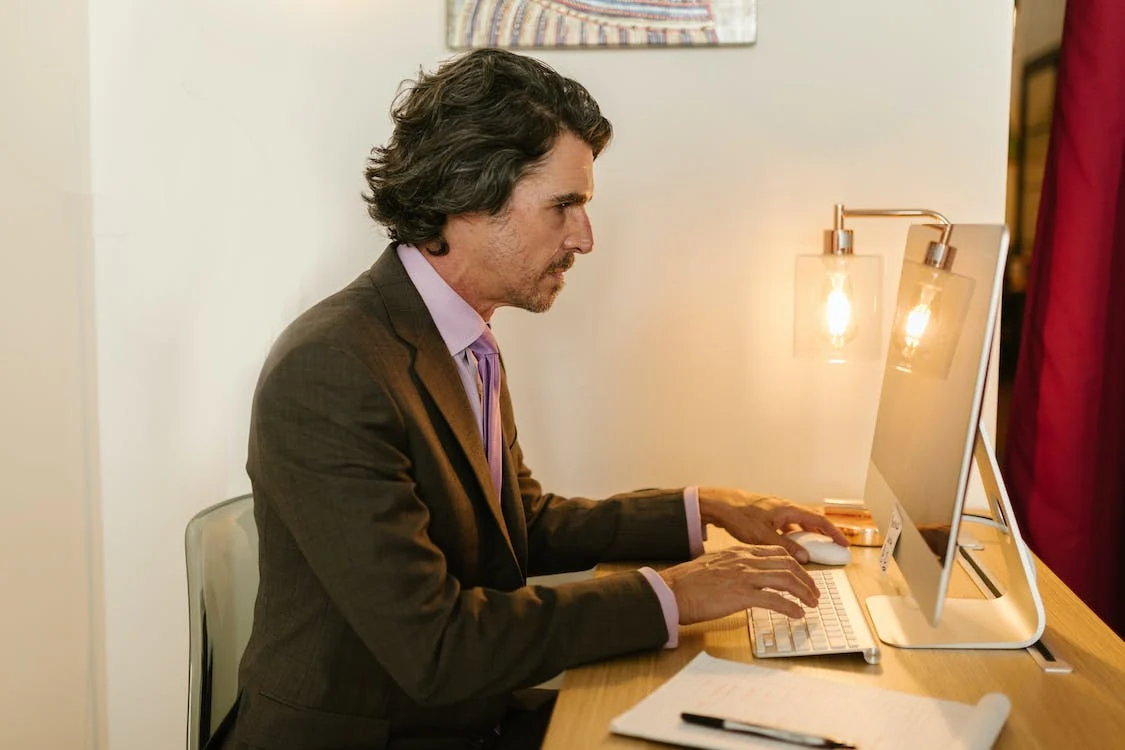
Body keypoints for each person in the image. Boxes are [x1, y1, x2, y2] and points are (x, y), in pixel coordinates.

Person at [214, 48, 848, 750]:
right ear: (467, 198)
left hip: (468, 711)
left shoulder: (459, 335)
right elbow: (436, 645)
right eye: (564, 206)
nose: (585, 238)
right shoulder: (332, 369)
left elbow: (522, 523)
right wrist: (675, 595)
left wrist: (705, 507)